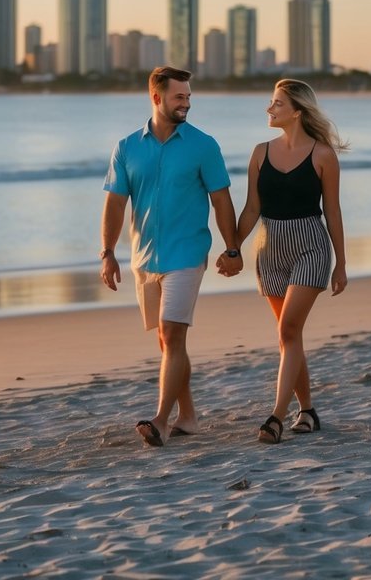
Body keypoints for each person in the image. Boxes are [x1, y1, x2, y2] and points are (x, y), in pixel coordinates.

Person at [100, 66, 243, 448]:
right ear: (157, 97)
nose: (187, 104)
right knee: (168, 343)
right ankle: (189, 417)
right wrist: (107, 253)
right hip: (144, 258)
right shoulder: (127, 147)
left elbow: (221, 200)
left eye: (189, 97)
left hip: (187, 253)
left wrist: (232, 248)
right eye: (180, 97)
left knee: (172, 333)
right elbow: (115, 204)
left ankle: (161, 421)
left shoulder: (203, 145)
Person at [229, 79, 348, 444]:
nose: (269, 109)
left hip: (310, 245)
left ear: (296, 110)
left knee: (287, 332)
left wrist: (340, 263)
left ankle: (276, 417)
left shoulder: (323, 155)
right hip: (269, 249)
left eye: (277, 103)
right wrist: (232, 248)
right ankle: (308, 410)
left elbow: (332, 211)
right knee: (289, 336)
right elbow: (252, 209)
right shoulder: (260, 153)